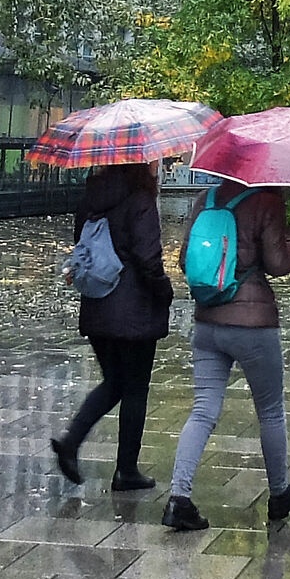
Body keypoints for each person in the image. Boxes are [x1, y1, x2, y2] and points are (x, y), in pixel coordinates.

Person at [162, 185, 290, 531]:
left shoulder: (206, 199)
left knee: (202, 410)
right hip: (253, 326)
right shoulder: (267, 201)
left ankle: (178, 499)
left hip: (207, 322)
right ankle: (280, 495)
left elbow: (185, 258)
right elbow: (279, 263)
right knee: (270, 411)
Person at [50, 160, 172, 492]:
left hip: (97, 306)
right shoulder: (141, 199)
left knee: (115, 382)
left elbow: (83, 244)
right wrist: (165, 291)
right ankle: (126, 470)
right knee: (134, 389)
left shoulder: (91, 197)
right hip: (134, 311)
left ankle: (71, 442)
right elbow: (148, 258)